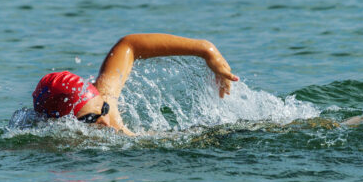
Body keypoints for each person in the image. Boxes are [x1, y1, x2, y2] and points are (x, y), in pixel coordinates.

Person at [31, 33, 239, 136]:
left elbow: (128, 45)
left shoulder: (104, 99)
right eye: (90, 119)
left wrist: (206, 50)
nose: (105, 122)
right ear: (61, 123)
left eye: (103, 109)